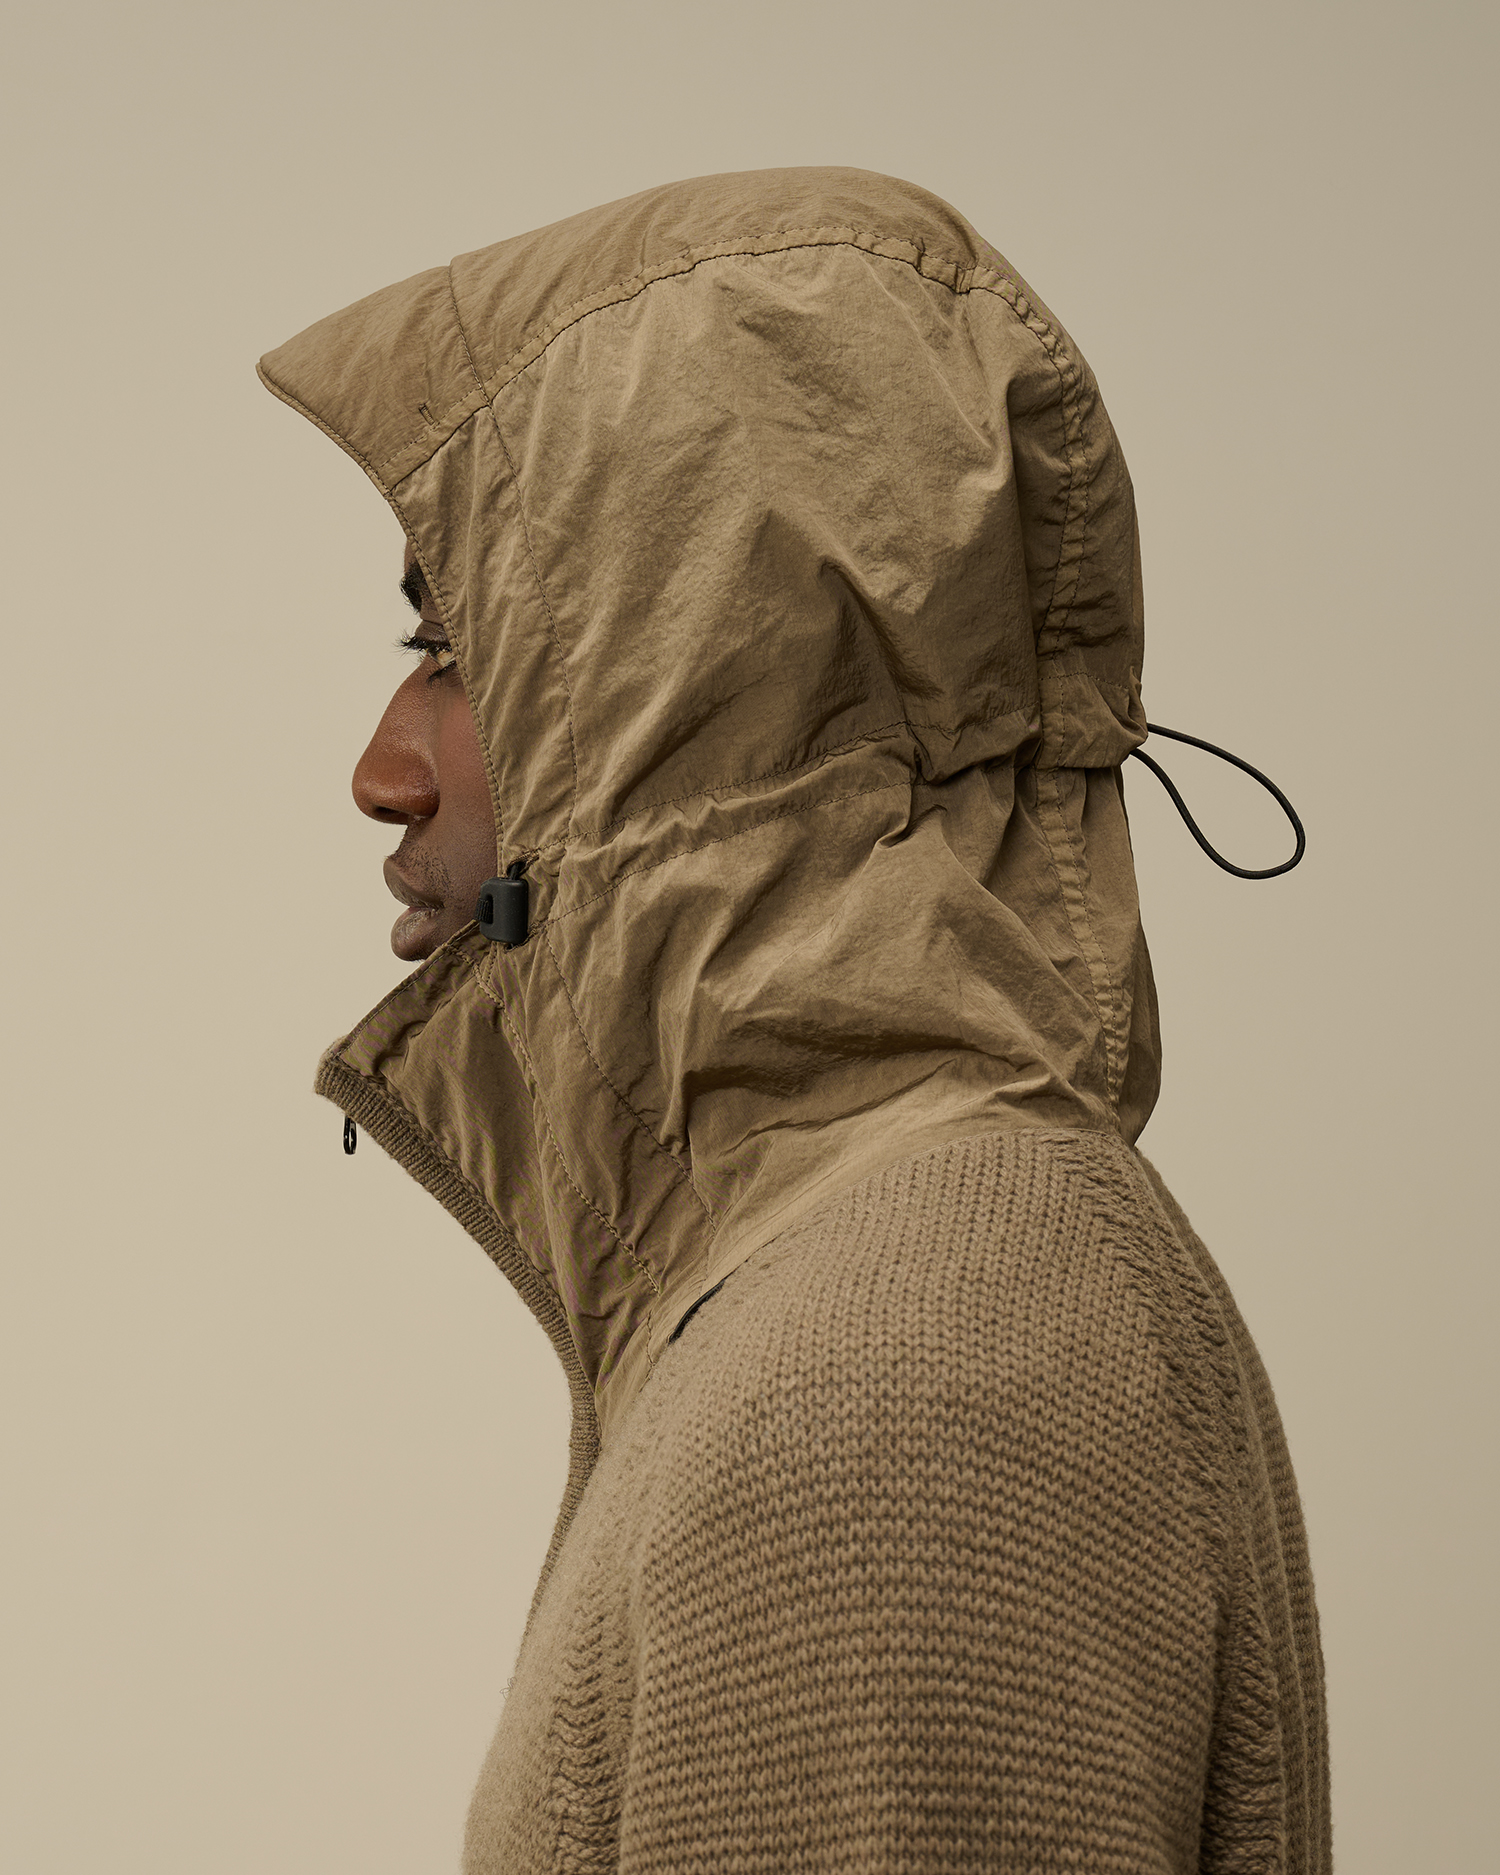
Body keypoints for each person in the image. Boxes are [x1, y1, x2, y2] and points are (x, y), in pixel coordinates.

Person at [258, 166, 1330, 1873]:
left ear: (693, 700)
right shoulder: (846, 1288)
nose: (383, 769)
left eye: (454, 646)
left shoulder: (901, 1375)